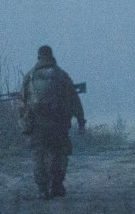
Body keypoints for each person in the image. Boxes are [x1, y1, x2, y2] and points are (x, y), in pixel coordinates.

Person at [19, 45, 85, 199]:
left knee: (38, 155)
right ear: (51, 56)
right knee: (59, 153)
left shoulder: (29, 77)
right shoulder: (61, 75)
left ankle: (42, 189)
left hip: (37, 124)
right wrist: (81, 121)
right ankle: (57, 185)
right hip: (58, 123)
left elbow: (22, 104)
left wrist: (24, 124)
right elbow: (75, 100)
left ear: (39, 57)